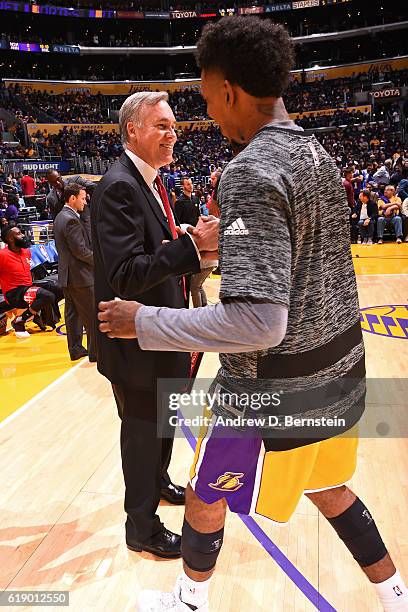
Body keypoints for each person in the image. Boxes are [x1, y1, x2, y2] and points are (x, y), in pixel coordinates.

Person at [97, 18, 408, 612]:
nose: (209, 116)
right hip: (340, 372)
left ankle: (188, 602)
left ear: (231, 91)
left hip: (272, 387)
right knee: (330, 486)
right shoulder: (316, 152)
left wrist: (145, 322)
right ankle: (396, 594)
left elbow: (259, 322)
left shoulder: (247, 172)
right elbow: (292, 265)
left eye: (209, 98)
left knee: (203, 494)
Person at [90, 91, 219, 560]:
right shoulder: (119, 186)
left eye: (172, 125)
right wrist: (190, 248)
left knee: (162, 423)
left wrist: (187, 244)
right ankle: (141, 527)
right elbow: (126, 272)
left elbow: (151, 250)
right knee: (143, 430)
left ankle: (158, 483)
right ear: (133, 131)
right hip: (134, 342)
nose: (172, 134)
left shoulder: (150, 181)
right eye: (161, 125)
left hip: (161, 331)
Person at [53, 183, 96, 362]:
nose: (85, 202)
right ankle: (96, 353)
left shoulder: (60, 217)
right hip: (80, 277)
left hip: (68, 276)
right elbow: (81, 251)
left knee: (72, 315)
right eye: (82, 198)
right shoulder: (70, 219)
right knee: (91, 316)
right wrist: (99, 262)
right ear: (72, 198)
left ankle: (76, 349)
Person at [0, 226, 60, 338]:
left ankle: (41, 317)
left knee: (59, 288)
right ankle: (20, 320)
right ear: (10, 239)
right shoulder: (2, 255)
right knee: (48, 296)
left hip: (27, 288)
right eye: (18, 234)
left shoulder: (26, 252)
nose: (23, 235)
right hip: (14, 293)